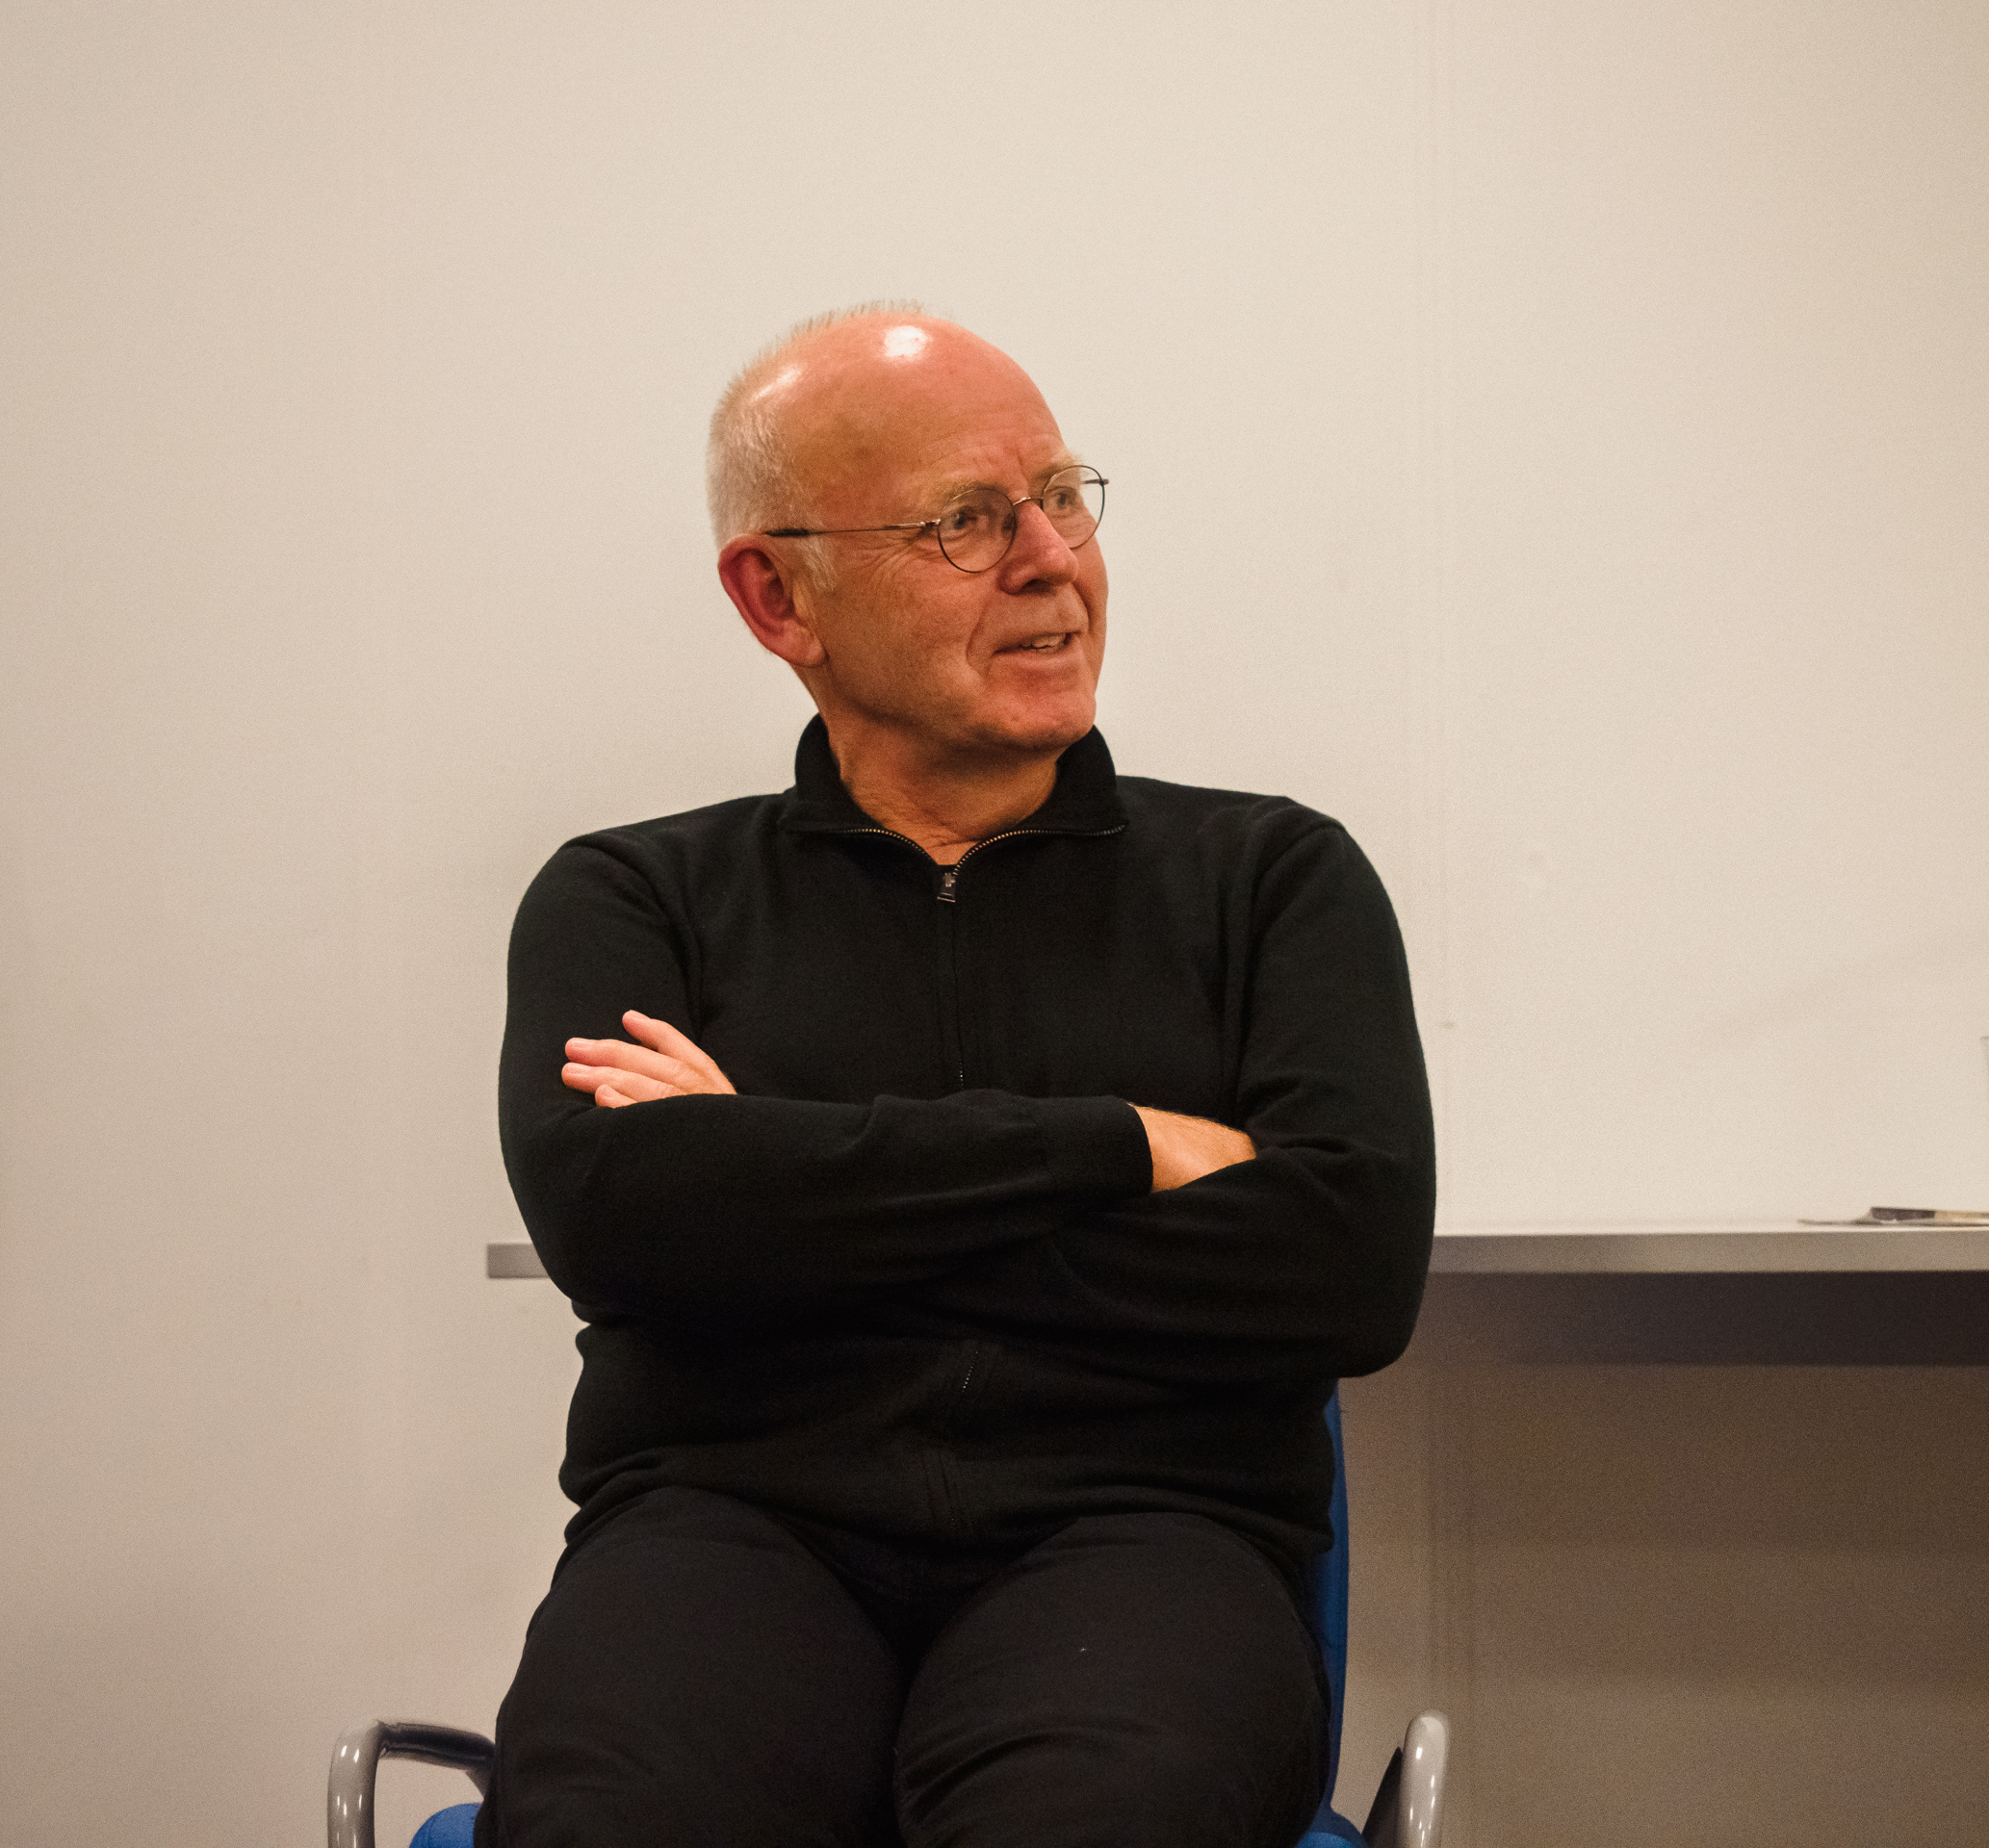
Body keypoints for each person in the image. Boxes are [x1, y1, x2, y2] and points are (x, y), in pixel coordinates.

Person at [478, 305, 1434, 1848]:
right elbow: (627, 1222)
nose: (1052, 559)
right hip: (730, 1532)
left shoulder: (1271, 881)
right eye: (966, 521)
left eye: (1062, 496)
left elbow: (1347, 1269)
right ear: (779, 596)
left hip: (1150, 1540)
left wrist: (780, 1179)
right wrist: (1123, 1144)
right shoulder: (635, 899)